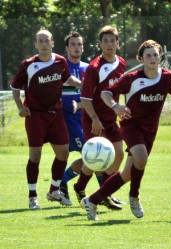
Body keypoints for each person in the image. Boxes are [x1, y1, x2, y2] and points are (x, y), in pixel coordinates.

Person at [79, 39, 171, 220]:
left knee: (127, 174)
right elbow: (105, 93)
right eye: (148, 55)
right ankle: (134, 197)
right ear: (141, 59)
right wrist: (116, 107)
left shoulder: (168, 78)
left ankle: (92, 201)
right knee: (141, 157)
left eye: (155, 54)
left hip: (150, 131)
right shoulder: (132, 79)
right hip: (131, 126)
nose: (152, 58)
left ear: (160, 56)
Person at [11, 29, 82, 209]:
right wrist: (20, 107)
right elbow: (15, 87)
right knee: (35, 156)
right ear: (35, 44)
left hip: (56, 114)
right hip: (35, 116)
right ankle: (32, 196)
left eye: (47, 41)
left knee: (63, 153)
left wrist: (84, 84)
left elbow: (68, 79)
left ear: (52, 43)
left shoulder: (60, 61)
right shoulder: (28, 64)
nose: (43, 44)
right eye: (40, 41)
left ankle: (54, 190)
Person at [73, 25, 126, 211]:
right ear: (100, 44)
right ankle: (81, 188)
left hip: (111, 120)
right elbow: (85, 99)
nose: (109, 44)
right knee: (95, 159)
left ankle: (104, 193)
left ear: (118, 43)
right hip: (93, 120)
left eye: (112, 40)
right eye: (105, 41)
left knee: (118, 154)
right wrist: (95, 119)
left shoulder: (121, 63)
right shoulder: (94, 68)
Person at [59, 31, 88, 202]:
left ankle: (61, 181)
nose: (76, 47)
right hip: (68, 120)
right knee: (92, 155)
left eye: (79, 44)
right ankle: (105, 193)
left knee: (92, 157)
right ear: (67, 48)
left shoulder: (88, 68)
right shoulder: (61, 68)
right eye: (73, 44)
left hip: (86, 118)